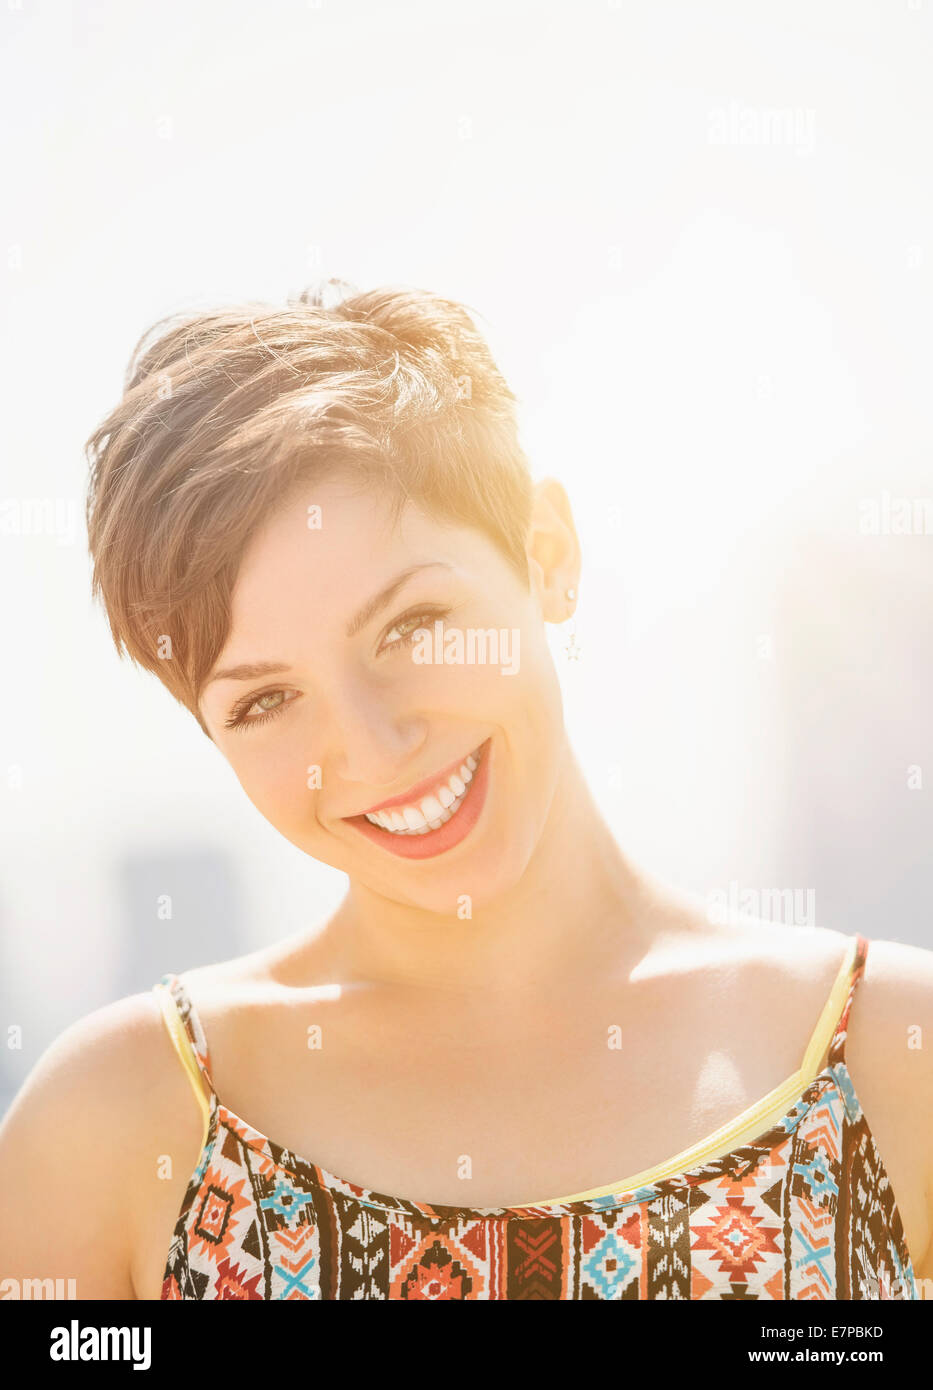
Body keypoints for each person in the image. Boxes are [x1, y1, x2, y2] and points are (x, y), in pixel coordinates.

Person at [1, 283, 930, 1300]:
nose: (372, 746)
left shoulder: (894, 1061)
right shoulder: (119, 1126)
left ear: (548, 555)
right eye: (267, 700)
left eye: (411, 626)